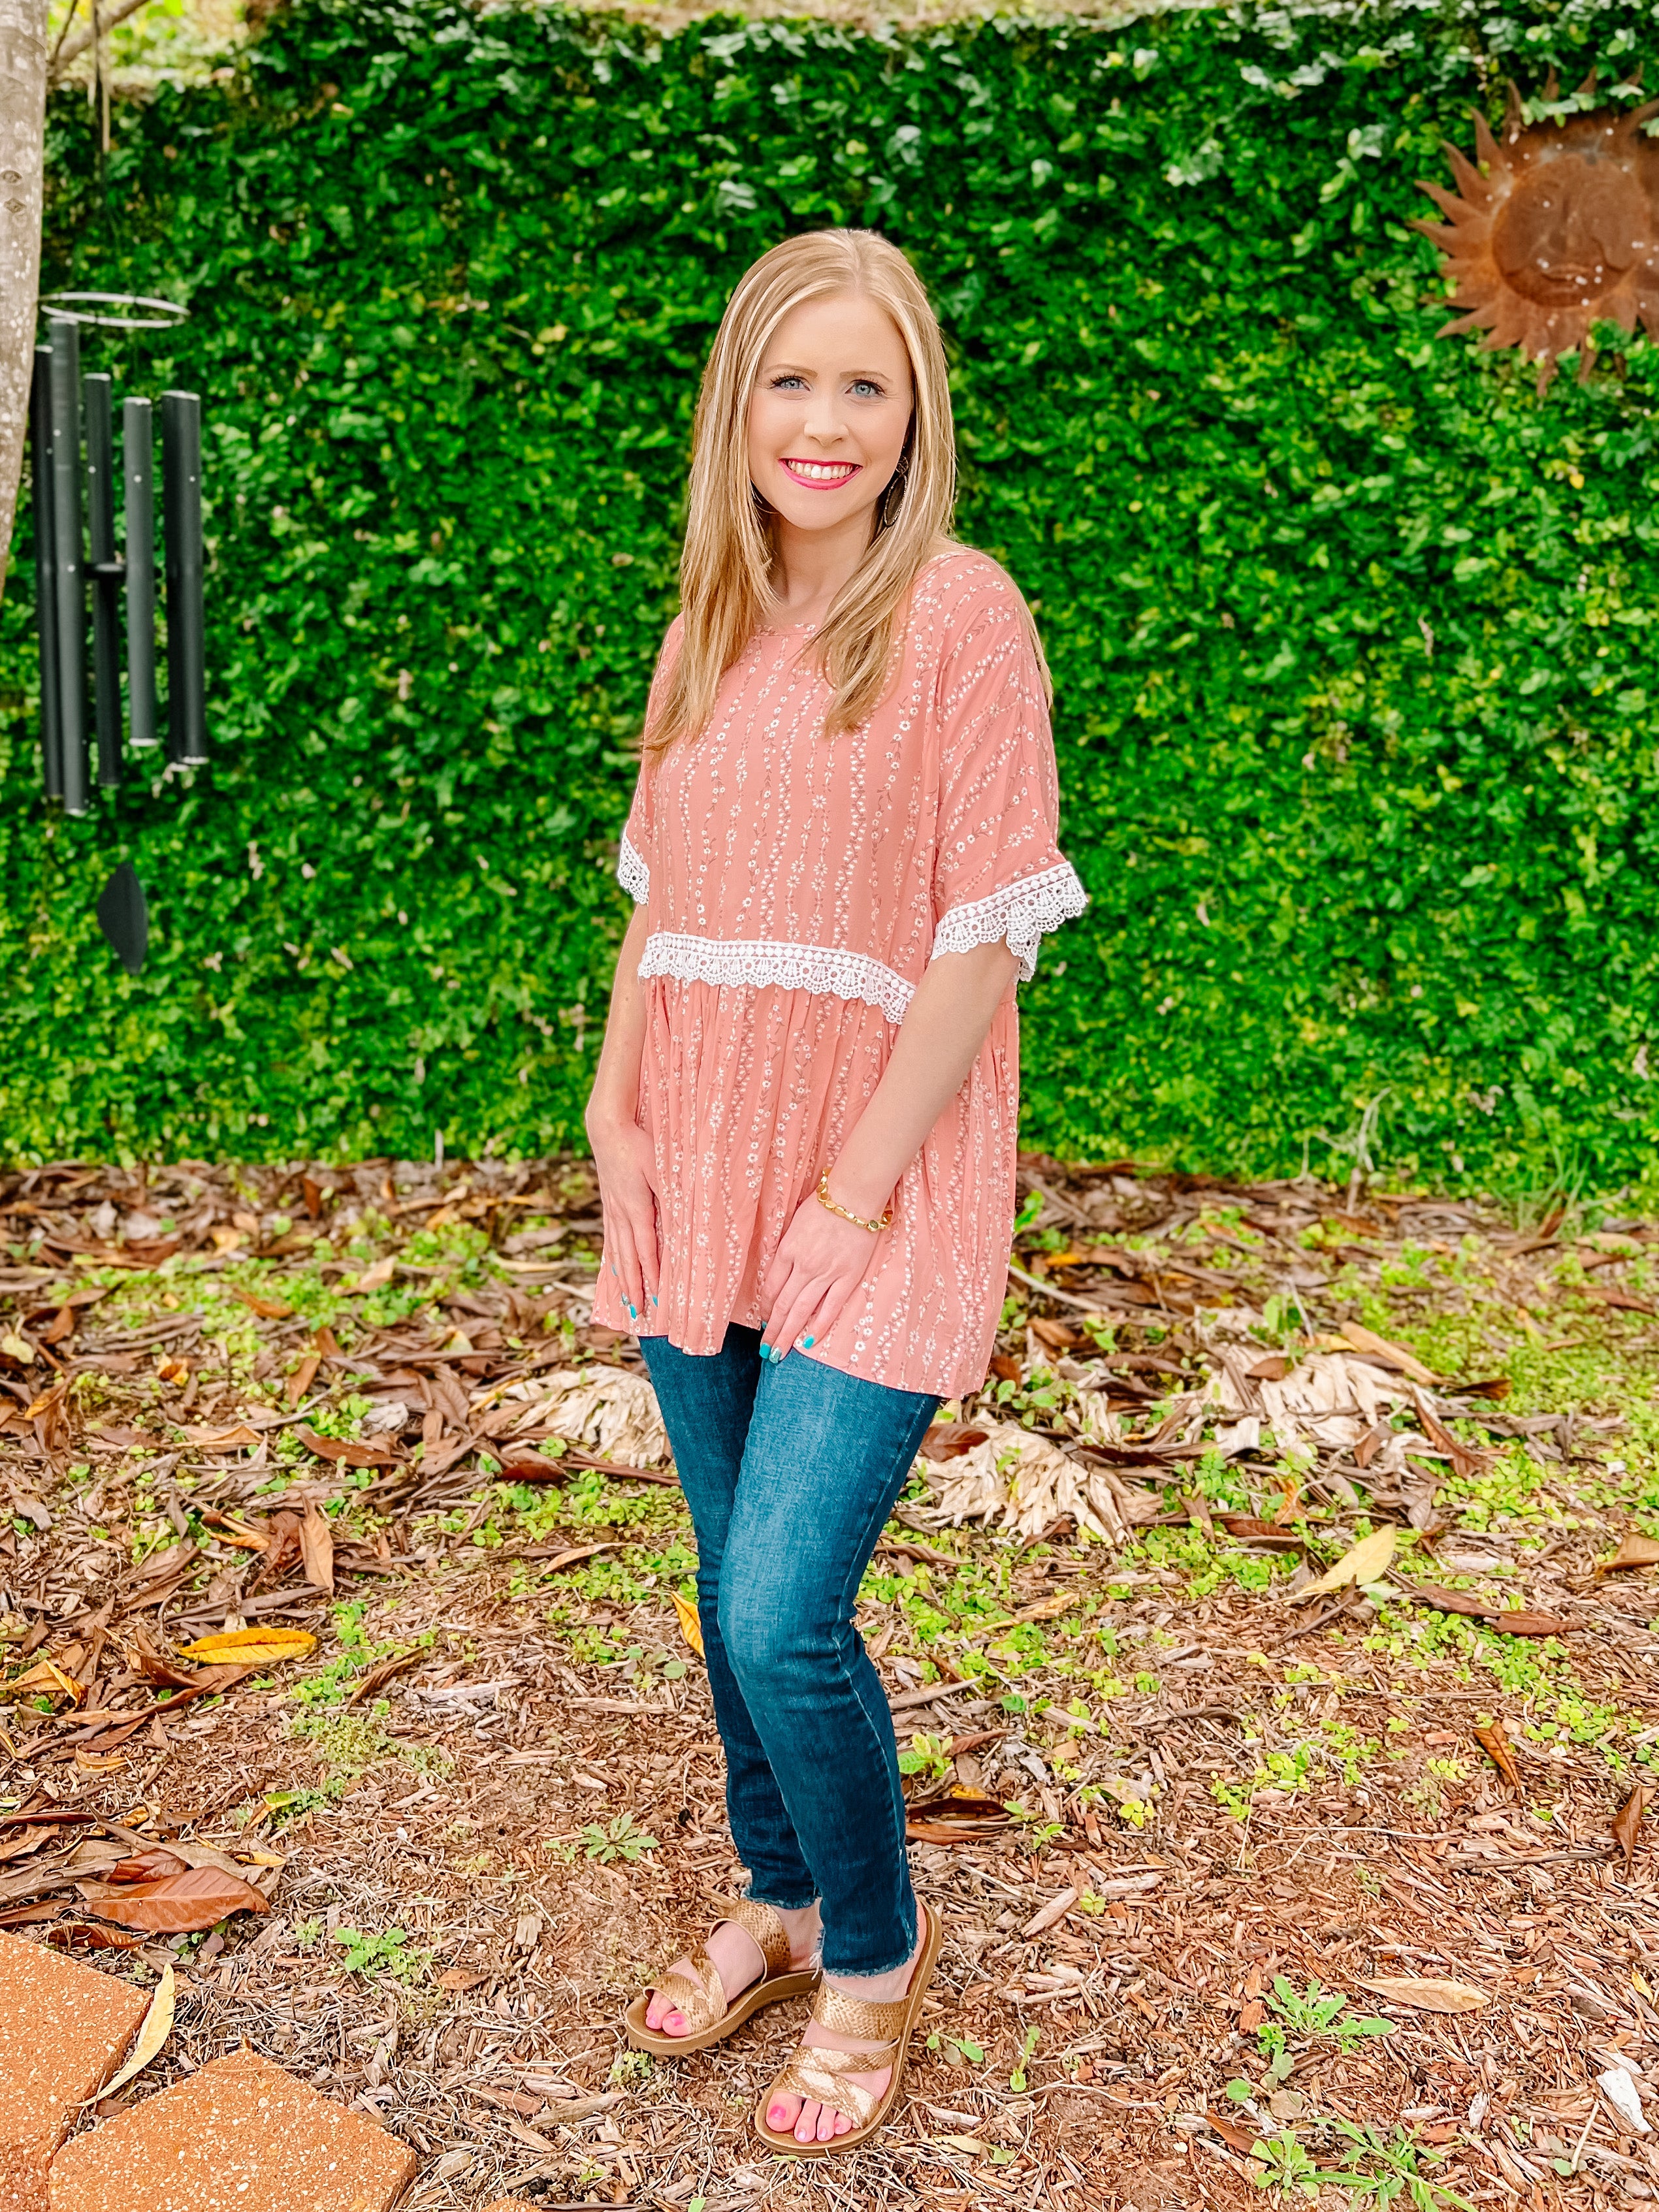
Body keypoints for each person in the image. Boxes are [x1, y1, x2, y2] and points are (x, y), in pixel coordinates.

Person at [585, 226, 1086, 2156]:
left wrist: (857, 1196)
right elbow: (657, 902)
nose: (822, 421)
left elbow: (983, 940)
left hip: (868, 1173)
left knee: (786, 1602)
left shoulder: (961, 613)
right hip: (689, 1154)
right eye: (790, 380)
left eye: (862, 385)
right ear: (740, 403)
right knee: (725, 1591)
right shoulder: (707, 615)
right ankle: (777, 1899)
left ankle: (868, 1963)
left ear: (912, 414)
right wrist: (613, 1114)